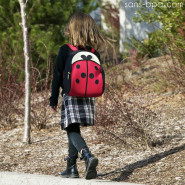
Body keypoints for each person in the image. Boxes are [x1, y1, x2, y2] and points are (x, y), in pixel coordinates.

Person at [49, 12, 109, 180]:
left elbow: (57, 76)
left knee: (70, 128)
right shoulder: (93, 52)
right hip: (88, 96)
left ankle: (87, 155)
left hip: (71, 95)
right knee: (74, 127)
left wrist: (53, 99)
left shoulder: (65, 50)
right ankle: (71, 168)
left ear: (72, 29)